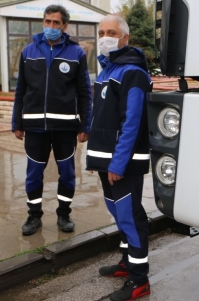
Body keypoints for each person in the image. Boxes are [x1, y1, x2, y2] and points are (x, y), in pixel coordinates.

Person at [87, 15, 153, 301]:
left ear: (125, 38)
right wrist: (95, 158)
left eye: (111, 32)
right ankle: (127, 263)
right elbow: (101, 118)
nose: (105, 37)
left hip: (123, 163)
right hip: (106, 160)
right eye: (102, 32)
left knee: (130, 217)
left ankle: (139, 280)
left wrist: (118, 163)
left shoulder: (132, 73)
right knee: (118, 214)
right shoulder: (107, 70)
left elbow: (132, 122)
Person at [12, 5, 92, 236]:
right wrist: (17, 122)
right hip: (34, 126)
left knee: (67, 173)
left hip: (65, 127)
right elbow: (20, 90)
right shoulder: (28, 51)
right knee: (33, 174)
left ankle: (64, 214)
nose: (51, 26)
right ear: (43, 22)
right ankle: (34, 215)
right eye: (47, 21)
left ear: (64, 26)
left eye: (56, 23)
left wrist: (85, 125)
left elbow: (85, 93)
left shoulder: (76, 53)